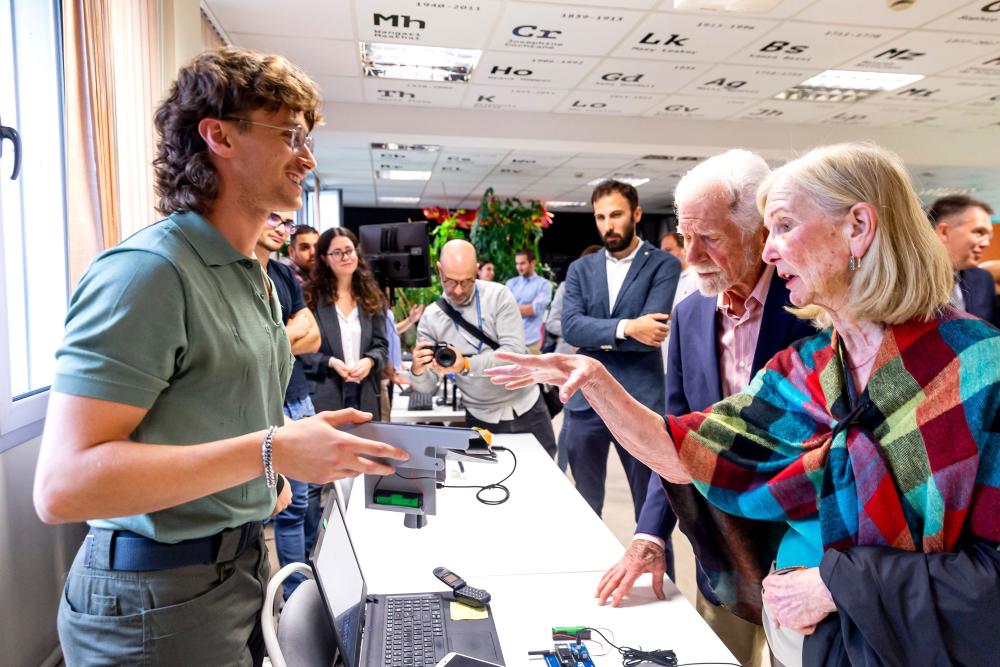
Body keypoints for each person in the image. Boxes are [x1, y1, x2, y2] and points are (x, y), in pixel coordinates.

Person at [489, 142, 1000, 666]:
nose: (770, 250)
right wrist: (597, 380)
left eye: (782, 227)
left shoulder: (979, 370)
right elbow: (688, 449)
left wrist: (834, 586)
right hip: (810, 643)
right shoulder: (809, 366)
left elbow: (987, 578)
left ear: (858, 228)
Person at [34, 47, 408, 665]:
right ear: (219, 137)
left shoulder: (251, 277)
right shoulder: (149, 272)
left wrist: (279, 458)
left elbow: (214, 417)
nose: (307, 157)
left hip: (234, 571)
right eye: (289, 134)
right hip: (154, 596)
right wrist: (271, 451)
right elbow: (63, 486)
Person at [597, 150, 814, 667]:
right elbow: (675, 436)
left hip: (804, 556)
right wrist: (651, 532)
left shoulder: (812, 310)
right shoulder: (691, 312)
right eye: (685, 235)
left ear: (761, 233)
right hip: (721, 551)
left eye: (709, 239)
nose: (690, 256)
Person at [561, 180, 680, 519]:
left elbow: (653, 331)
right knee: (585, 507)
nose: (608, 225)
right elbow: (570, 326)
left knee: (652, 511)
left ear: (636, 214)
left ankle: (661, 572)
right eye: (600, 217)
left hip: (639, 401)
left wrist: (595, 333)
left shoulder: (663, 265)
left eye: (615, 215)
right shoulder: (580, 269)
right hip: (587, 401)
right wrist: (628, 327)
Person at [410, 239, 557, 457]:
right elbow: (427, 388)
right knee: (488, 483)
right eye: (450, 281)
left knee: (544, 474)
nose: (459, 290)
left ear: (476, 270)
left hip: (526, 406)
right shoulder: (431, 319)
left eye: (467, 281)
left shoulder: (499, 296)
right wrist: (418, 371)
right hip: (480, 416)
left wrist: (466, 364)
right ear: (439, 271)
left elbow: (514, 353)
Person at [254, 211, 323, 600]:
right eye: (273, 218)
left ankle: (310, 588)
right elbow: (251, 350)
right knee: (283, 507)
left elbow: (312, 337)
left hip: (299, 400)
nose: (281, 227)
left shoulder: (281, 275)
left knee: (304, 502)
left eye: (287, 222)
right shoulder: (240, 274)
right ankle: (294, 596)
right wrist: (288, 333)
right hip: (269, 406)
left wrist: (270, 338)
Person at [303, 228, 388, 419]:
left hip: (364, 391)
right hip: (325, 393)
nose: (345, 257)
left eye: (349, 250)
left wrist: (370, 360)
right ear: (325, 258)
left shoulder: (371, 296)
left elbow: (381, 345)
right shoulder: (310, 298)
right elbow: (299, 352)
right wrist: (330, 362)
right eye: (337, 253)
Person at [928, 194, 997, 325]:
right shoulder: (904, 280)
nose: (986, 243)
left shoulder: (983, 279)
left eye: (989, 236)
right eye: (979, 232)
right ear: (944, 232)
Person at [506, 248, 552, 354]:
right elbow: (503, 309)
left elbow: (533, 309)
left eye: (522, 263)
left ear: (533, 262)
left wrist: (512, 307)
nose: (519, 267)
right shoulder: (511, 283)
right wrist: (525, 307)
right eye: (517, 264)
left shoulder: (544, 285)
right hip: (511, 340)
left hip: (532, 341)